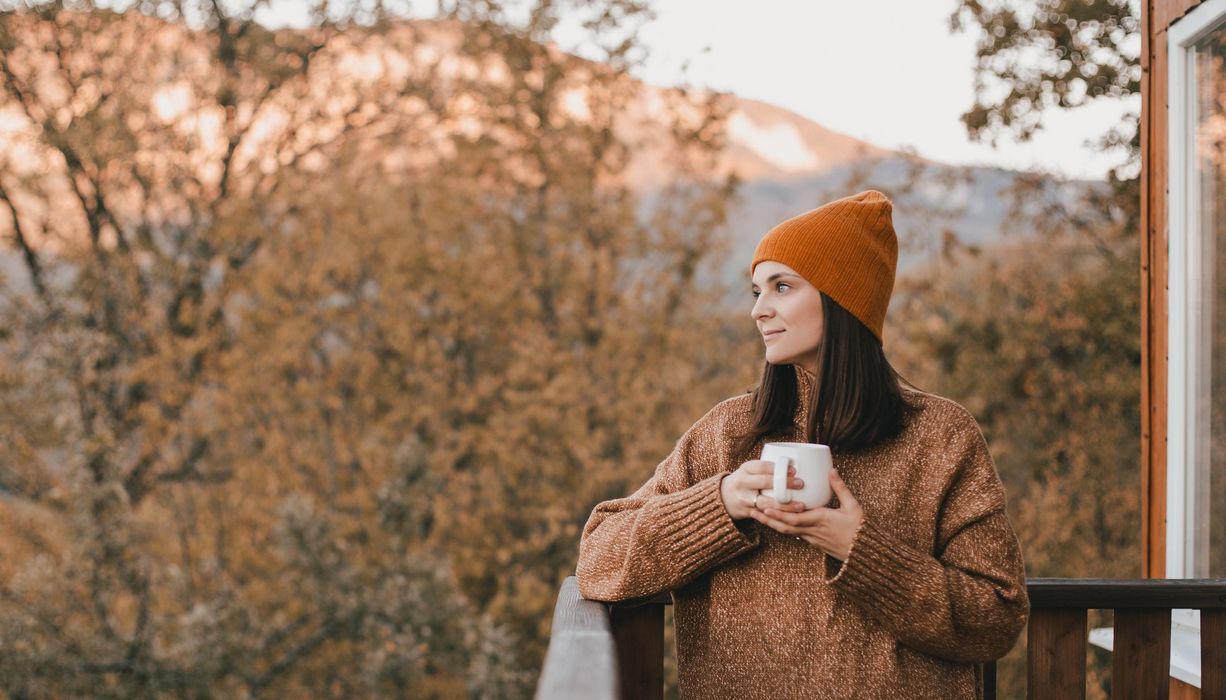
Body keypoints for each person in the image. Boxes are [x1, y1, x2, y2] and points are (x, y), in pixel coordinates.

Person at [575, 190, 1029, 698]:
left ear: (843, 301)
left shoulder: (941, 437)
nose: (759, 311)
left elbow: (997, 617)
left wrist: (862, 552)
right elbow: (597, 559)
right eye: (756, 292)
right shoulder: (727, 434)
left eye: (782, 287)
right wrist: (718, 504)